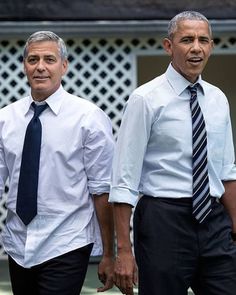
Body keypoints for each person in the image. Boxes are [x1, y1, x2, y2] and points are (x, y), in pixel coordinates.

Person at [109, 11, 236, 295]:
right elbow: (123, 179)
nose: (196, 48)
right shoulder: (145, 99)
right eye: (187, 39)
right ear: (169, 46)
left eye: (203, 40)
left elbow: (227, 171)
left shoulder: (217, 99)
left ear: (211, 46)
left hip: (214, 219)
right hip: (163, 220)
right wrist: (124, 252)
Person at [0, 31, 115, 294]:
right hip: (18, 245)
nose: (40, 67)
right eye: (33, 59)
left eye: (49, 59)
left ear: (64, 66)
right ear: (24, 66)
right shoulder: (6, 119)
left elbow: (103, 190)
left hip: (67, 242)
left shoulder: (89, 118)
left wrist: (110, 252)